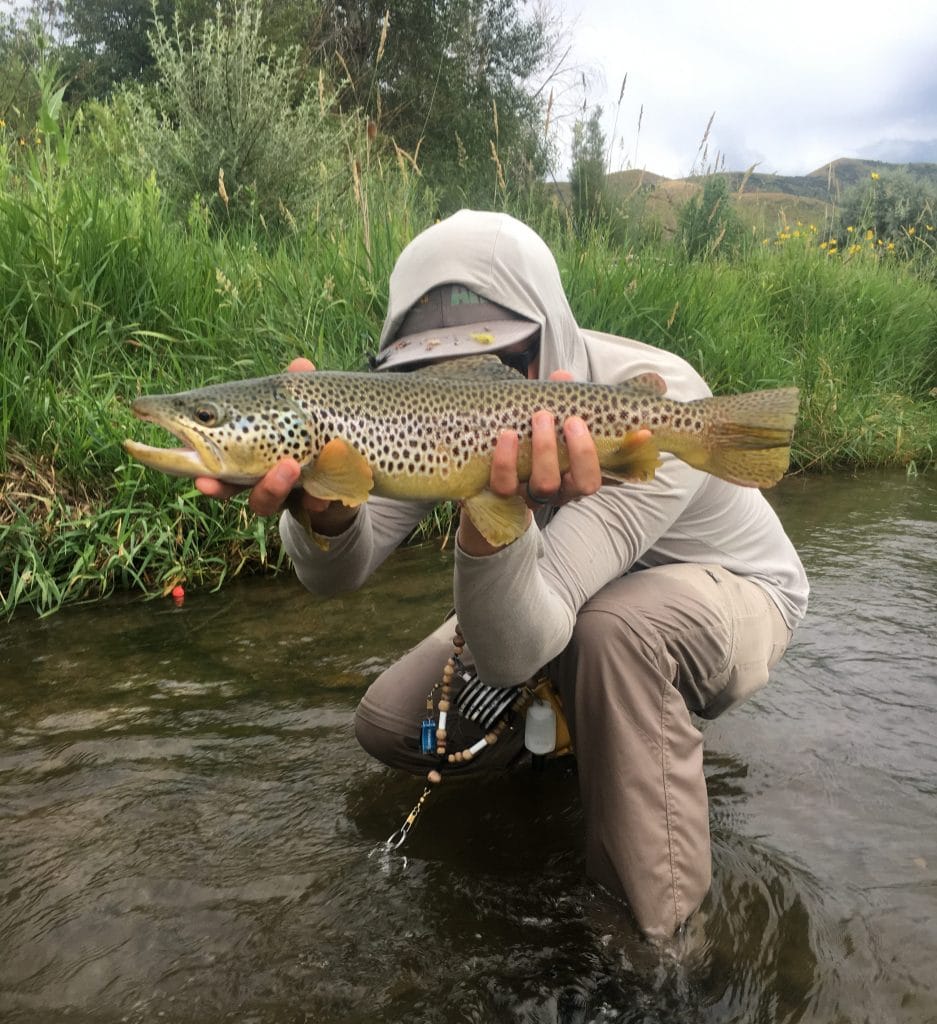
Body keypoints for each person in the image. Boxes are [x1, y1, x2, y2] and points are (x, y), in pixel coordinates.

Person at [196, 210, 808, 940]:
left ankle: (658, 945)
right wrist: (324, 517)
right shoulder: (403, 411)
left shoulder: (651, 403)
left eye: (496, 358)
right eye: (425, 367)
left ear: (546, 330)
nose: (454, 386)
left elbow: (525, 639)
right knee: (394, 723)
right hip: (555, 594)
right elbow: (341, 574)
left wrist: (491, 525)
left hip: (724, 592)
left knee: (612, 637)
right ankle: (575, 742)